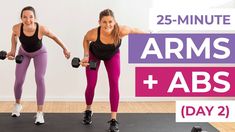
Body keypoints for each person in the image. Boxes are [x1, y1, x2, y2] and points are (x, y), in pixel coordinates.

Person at [81, 9, 144, 132]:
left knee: (114, 84)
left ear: (114, 21)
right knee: (91, 84)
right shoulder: (94, 33)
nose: (107, 25)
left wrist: (149, 34)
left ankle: (113, 120)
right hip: (94, 56)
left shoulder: (121, 31)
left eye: (110, 21)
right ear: (99, 22)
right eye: (104, 22)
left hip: (112, 56)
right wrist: (86, 55)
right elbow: (85, 39)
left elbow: (134, 30)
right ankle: (88, 110)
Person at [7, 6, 70, 125]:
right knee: (19, 80)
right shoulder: (16, 28)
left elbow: (54, 37)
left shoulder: (41, 28)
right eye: (24, 17)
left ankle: (40, 113)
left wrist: (65, 49)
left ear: (35, 18)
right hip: (23, 53)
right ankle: (17, 104)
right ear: (21, 18)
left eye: (31, 17)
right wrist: (12, 51)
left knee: (39, 79)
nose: (28, 19)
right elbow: (14, 36)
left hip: (40, 53)